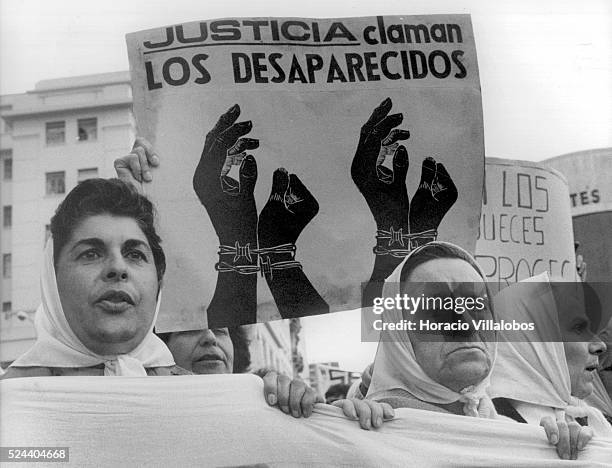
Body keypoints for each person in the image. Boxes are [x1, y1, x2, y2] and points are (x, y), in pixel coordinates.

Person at [2, 178, 176, 377]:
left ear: (159, 280)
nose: (118, 268)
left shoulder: (200, 397)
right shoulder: (9, 399)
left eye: (135, 254)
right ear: (52, 279)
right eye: (91, 254)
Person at [364, 241, 497, 418]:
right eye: (437, 309)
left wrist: (540, 441)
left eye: (477, 305)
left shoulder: (517, 432)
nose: (468, 325)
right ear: (399, 337)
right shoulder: (364, 429)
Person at [489, 274, 611, 458]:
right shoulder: (483, 424)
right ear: (532, 342)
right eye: (579, 328)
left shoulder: (594, 421)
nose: (600, 345)